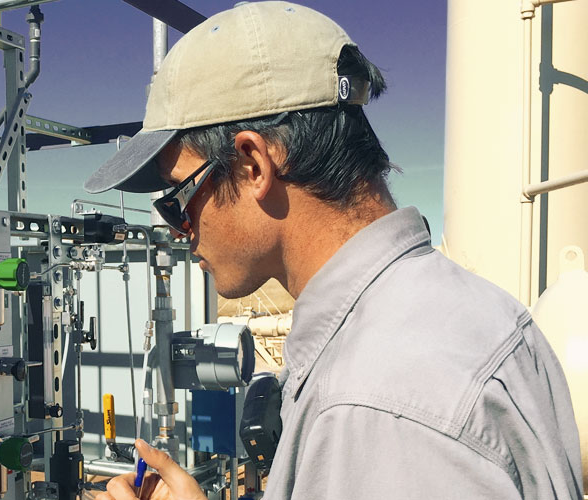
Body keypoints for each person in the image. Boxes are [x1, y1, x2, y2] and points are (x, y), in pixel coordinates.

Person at [84, 2, 583, 499]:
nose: (179, 229)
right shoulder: (478, 314)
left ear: (253, 164)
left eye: (178, 200)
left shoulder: (375, 409)